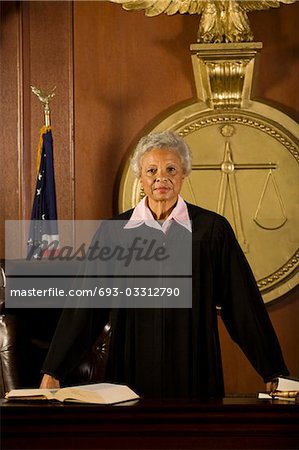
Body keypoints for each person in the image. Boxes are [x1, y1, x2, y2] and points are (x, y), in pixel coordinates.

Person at [40, 131, 289, 398]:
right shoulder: (114, 232)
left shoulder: (212, 231)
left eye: (171, 168)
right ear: (141, 178)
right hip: (130, 370)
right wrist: (54, 370)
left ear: (183, 174)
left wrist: (272, 369)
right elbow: (87, 306)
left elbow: (242, 304)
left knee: (195, 438)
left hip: (194, 369)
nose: (162, 177)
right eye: (151, 170)